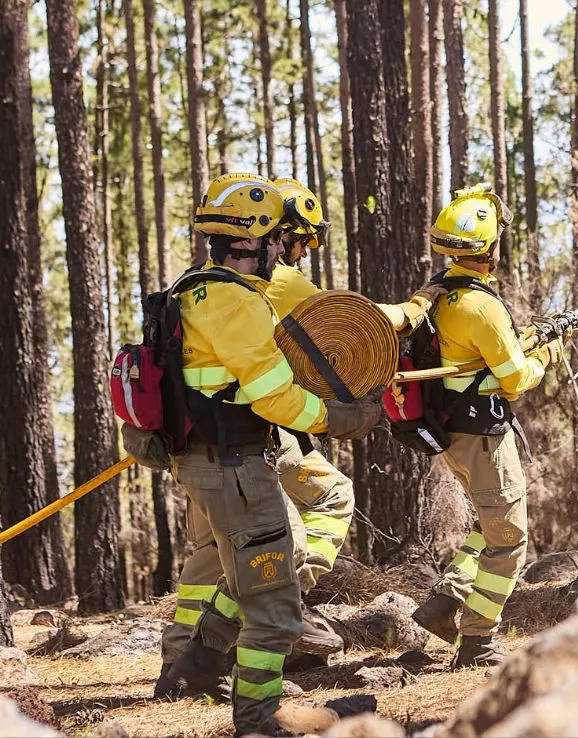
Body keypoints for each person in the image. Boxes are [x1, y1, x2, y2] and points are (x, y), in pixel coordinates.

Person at [158, 177, 443, 695]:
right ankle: (273, 623)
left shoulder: (197, 283)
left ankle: (186, 660)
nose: (301, 254)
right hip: (239, 442)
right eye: (300, 240)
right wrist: (419, 308)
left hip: (203, 442)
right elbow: (361, 322)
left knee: (213, 549)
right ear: (270, 235)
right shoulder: (263, 288)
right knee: (287, 537)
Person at [126, 173, 381, 736]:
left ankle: (198, 664)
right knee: (274, 603)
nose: (281, 252)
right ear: (254, 240)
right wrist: (342, 418)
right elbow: (273, 396)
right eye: (278, 241)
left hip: (207, 462)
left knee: (250, 576)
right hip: (237, 467)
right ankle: (260, 719)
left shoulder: (190, 289)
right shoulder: (236, 302)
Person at [410, 184, 564, 670]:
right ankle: (478, 641)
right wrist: (548, 356)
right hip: (483, 435)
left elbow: (474, 356)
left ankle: (444, 602)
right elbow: (514, 379)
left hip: (453, 434)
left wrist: (528, 340)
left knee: (488, 522)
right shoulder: (482, 306)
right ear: (490, 247)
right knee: (509, 538)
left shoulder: (439, 293)